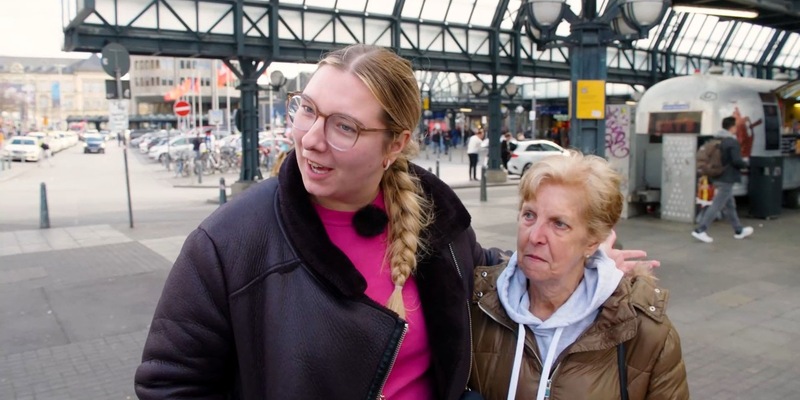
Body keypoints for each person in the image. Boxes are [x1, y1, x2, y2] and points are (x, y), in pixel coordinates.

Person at [135, 44, 655, 400]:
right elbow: (169, 386)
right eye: (306, 110)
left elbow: (481, 277)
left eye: (344, 126)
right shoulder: (227, 245)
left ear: (396, 144)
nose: (311, 138)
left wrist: (574, 264)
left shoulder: (437, 219)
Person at [468, 150, 687, 400]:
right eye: (529, 215)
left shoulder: (643, 331)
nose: (534, 236)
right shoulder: (480, 307)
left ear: (592, 241)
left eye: (559, 223)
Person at [692, 116, 753, 243]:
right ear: (733, 127)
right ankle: (701, 230)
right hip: (727, 177)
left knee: (730, 205)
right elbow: (736, 161)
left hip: (716, 175)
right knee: (717, 204)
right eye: (737, 126)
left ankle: (738, 230)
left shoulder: (717, 140)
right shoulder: (732, 142)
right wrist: (746, 163)